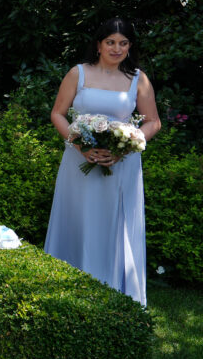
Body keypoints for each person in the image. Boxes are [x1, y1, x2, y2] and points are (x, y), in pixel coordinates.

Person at [44, 18, 160, 305]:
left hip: (121, 164)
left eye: (123, 43)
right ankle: (68, 289)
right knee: (79, 218)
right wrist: (79, 144)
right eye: (110, 42)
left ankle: (118, 292)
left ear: (130, 47)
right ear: (98, 45)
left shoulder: (138, 79)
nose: (117, 48)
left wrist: (129, 144)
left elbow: (153, 122)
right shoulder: (78, 74)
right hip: (78, 163)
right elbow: (58, 114)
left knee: (112, 224)